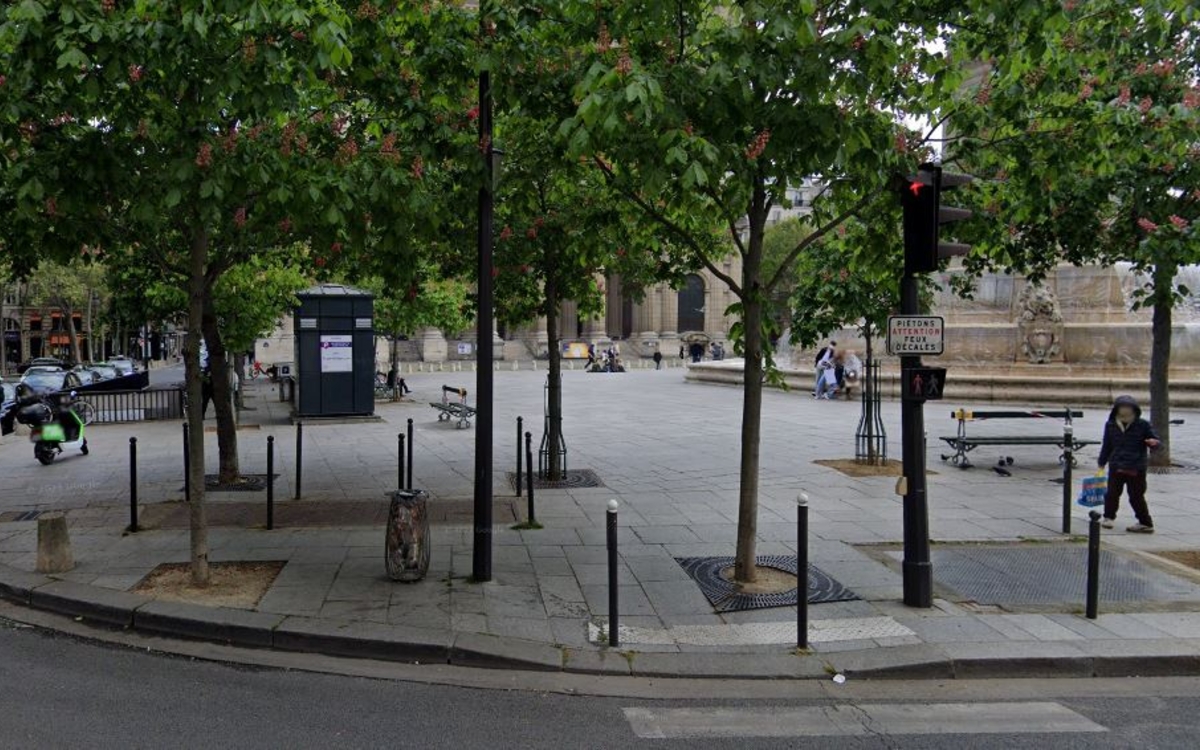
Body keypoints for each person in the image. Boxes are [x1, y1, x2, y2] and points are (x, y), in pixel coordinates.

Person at [1097, 395, 1161, 533]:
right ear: (1117, 409)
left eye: (1128, 407)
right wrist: (1102, 462)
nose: (1125, 410)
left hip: (1136, 466)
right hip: (1116, 464)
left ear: (1134, 409)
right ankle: (1108, 517)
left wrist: (1154, 443)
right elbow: (1107, 444)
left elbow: (1154, 440)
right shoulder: (1111, 424)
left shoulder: (1142, 424)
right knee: (1112, 494)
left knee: (1136, 495)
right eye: (1122, 407)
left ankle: (1145, 522)